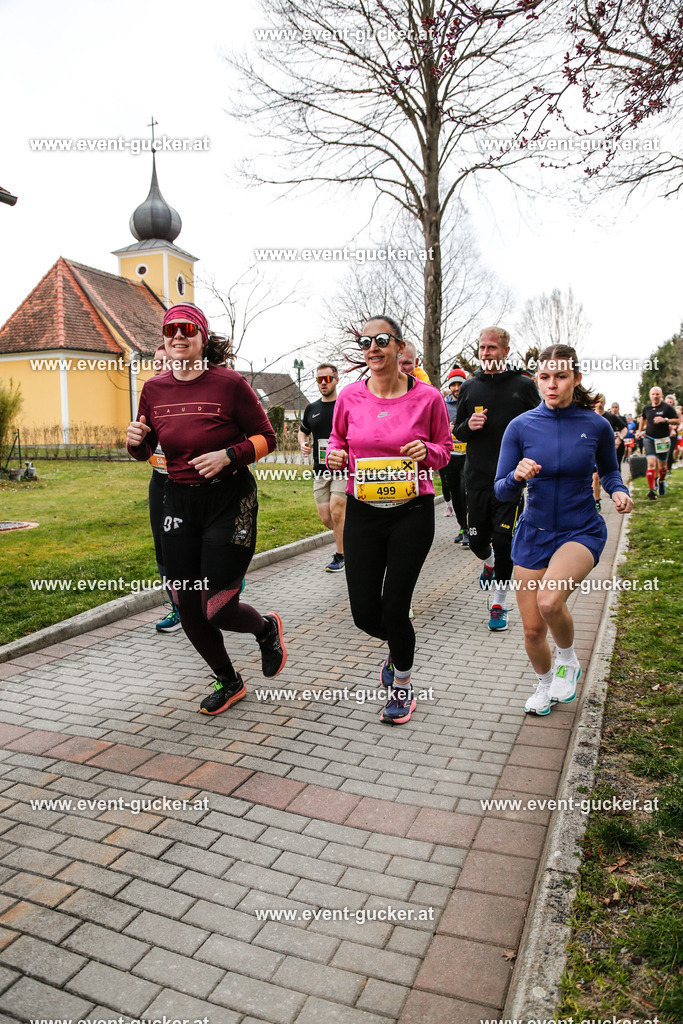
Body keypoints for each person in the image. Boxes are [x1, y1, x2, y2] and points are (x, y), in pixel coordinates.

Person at [126, 302, 286, 715]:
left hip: (229, 499)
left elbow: (269, 438)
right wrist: (133, 440)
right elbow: (145, 450)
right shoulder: (154, 389)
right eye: (171, 330)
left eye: (187, 329)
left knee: (217, 605)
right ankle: (229, 680)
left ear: (202, 338)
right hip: (177, 500)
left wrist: (229, 456)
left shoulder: (229, 383)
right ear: (164, 339)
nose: (178, 336)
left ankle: (265, 629)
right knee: (186, 601)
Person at [494, 344, 633, 716]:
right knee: (532, 631)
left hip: (580, 529)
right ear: (536, 379)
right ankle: (544, 685)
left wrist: (618, 490)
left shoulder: (596, 425)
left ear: (576, 378)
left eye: (560, 376)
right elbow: (500, 488)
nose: (552, 384)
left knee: (549, 600)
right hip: (534, 532)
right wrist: (516, 476)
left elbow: (609, 471)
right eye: (544, 377)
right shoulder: (520, 426)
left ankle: (568, 661)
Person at [326, 315, 452, 725]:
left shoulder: (428, 398)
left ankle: (402, 685)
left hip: (412, 513)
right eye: (366, 342)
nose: (373, 348)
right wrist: (335, 456)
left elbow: (445, 450)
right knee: (365, 613)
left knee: (396, 606)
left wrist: (427, 453)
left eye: (382, 340)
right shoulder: (349, 397)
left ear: (400, 347)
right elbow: (338, 440)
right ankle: (399, 646)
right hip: (363, 512)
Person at [454, 327, 540, 631]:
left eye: (491, 347)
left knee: (504, 541)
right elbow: (457, 431)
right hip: (476, 479)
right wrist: (469, 424)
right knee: (477, 542)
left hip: (510, 479)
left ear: (505, 351)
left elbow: (541, 424)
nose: (485, 352)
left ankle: (499, 603)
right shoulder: (469, 387)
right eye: (481, 347)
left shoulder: (523, 386)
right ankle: (488, 563)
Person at [298, 364, 347, 572]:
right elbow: (302, 431)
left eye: (327, 378)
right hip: (320, 469)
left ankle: (341, 555)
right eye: (319, 379)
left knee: (337, 511)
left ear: (336, 379)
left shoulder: (345, 405)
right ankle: (352, 536)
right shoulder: (312, 408)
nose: (323, 383)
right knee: (327, 517)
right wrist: (303, 443)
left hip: (343, 467)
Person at [147, 344, 181, 633]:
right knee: (161, 546)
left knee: (185, 544)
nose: (157, 367)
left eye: (163, 362)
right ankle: (177, 607)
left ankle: (224, 581)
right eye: (155, 363)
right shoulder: (150, 396)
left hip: (185, 483)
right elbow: (142, 443)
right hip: (159, 481)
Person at [636, 386, 680, 499]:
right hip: (649, 438)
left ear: (661, 395)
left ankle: (661, 482)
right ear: (650, 396)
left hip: (663, 440)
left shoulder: (667, 408)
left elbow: (677, 420)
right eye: (653, 394)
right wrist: (639, 431)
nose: (655, 396)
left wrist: (665, 420)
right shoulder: (646, 408)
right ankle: (651, 490)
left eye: (657, 394)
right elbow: (643, 418)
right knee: (651, 463)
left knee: (663, 466)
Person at [443, 368, 469, 545]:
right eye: (453, 384)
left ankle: (470, 527)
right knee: (454, 493)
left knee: (464, 490)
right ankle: (462, 527)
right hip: (450, 455)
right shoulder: (443, 405)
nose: (457, 388)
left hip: (468, 455)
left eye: (460, 384)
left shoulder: (470, 401)